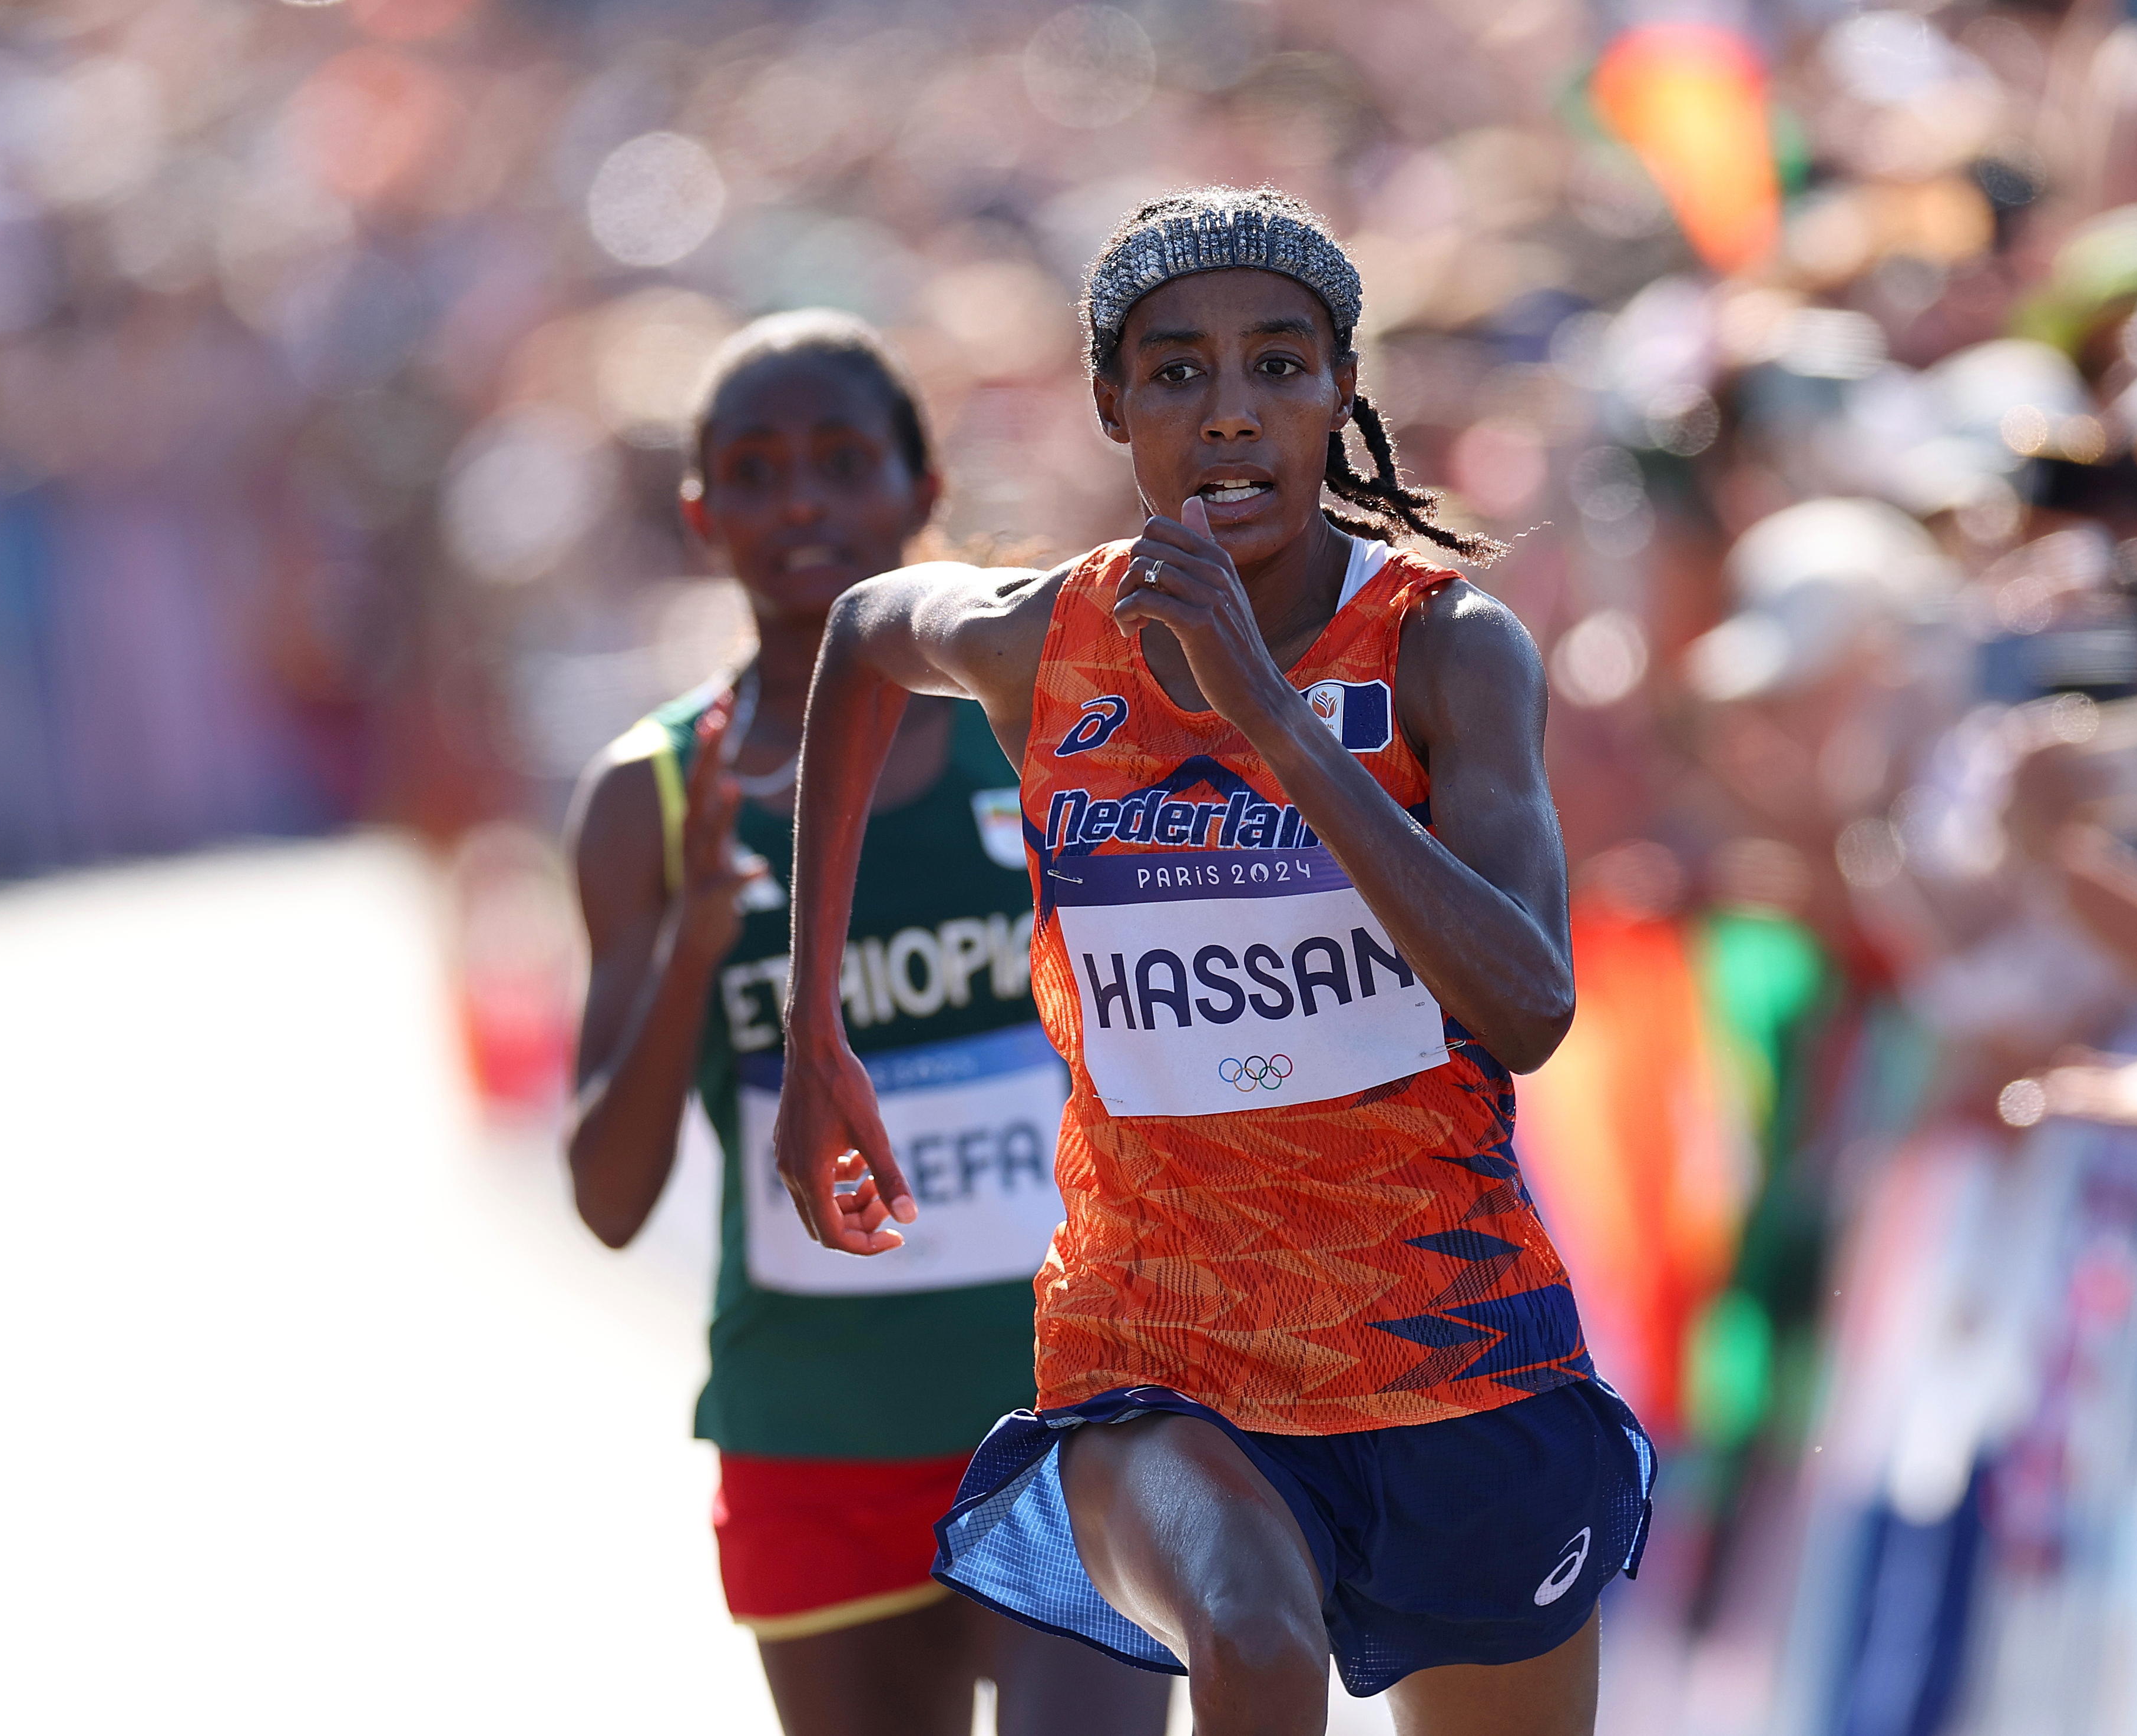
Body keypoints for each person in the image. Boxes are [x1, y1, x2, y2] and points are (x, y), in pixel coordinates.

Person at [772, 190, 1656, 1736]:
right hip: (1159, 1349)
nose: (1230, 414)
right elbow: (859, 628)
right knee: (1250, 1635)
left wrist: (1269, 720)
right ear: (1115, 406)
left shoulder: (1449, 649)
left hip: (1450, 1347)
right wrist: (813, 1036)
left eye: (1277, 366)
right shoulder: (1045, 639)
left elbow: (1526, 1009)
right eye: (1175, 373)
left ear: (1339, 393)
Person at [563, 310, 1172, 1736]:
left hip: (1067, 1409)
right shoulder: (648, 799)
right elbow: (606, 1198)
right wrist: (702, 943)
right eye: (759, 471)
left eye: (843, 462)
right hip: (815, 1435)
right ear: (701, 511)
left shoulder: (1044, 729)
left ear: (922, 490)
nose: (803, 505)